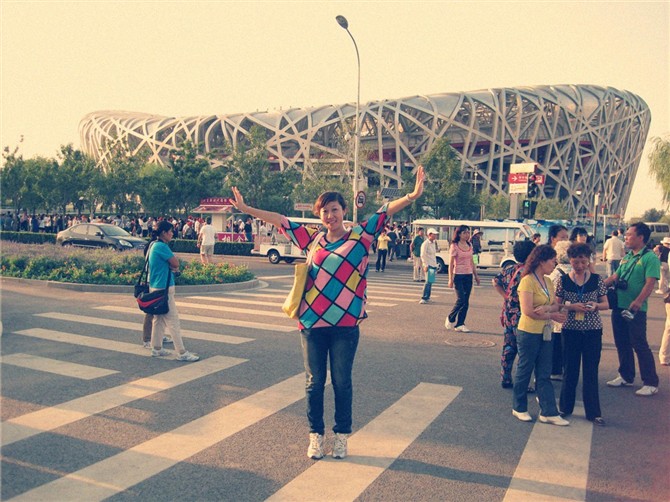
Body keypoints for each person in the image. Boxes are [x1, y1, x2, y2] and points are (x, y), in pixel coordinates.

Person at [230, 166, 425, 461]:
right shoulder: (313, 239)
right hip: (312, 323)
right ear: (319, 215)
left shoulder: (361, 237)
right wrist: (246, 209)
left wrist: (412, 195)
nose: (330, 215)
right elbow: (280, 220)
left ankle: (341, 437)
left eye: (334, 209)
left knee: (342, 382)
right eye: (324, 211)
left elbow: (385, 211)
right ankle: (316, 436)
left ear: (344, 210)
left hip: (345, 324)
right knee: (314, 382)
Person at [512, 244, 569, 425]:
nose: (554, 264)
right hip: (528, 332)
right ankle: (519, 407)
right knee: (525, 369)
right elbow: (528, 311)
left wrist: (547, 309)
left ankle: (548, 411)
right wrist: (551, 314)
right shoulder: (527, 281)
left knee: (544, 372)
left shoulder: (548, 281)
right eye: (552, 261)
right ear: (541, 261)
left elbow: (554, 304)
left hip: (546, 332)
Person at [555, 242, 608, 425]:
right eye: (576, 262)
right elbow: (556, 304)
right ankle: (565, 407)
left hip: (593, 330)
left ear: (588, 261)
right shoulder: (563, 280)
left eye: (583, 262)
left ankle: (594, 412)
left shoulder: (596, 279)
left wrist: (596, 306)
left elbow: (606, 304)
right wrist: (571, 306)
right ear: (570, 260)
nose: (579, 266)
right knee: (570, 370)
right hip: (570, 330)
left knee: (591, 371)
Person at [604, 222, 660, 396]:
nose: (626, 238)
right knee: (621, 342)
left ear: (640, 237)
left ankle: (651, 382)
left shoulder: (650, 258)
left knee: (639, 343)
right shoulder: (628, 257)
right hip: (619, 305)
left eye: (629, 235)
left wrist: (638, 301)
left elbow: (650, 283)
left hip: (635, 309)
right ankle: (625, 375)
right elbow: (615, 276)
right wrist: (596, 287)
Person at [148, 220, 200, 362]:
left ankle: (156, 348)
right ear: (164, 233)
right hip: (164, 288)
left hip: (156, 286)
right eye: (170, 231)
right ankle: (181, 352)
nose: (172, 233)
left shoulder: (154, 245)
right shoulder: (161, 246)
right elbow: (176, 263)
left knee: (159, 319)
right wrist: (174, 266)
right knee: (173, 321)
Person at [492, 240, 536, 388]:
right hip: (523, 315)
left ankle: (505, 378)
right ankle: (522, 383)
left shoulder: (509, 269)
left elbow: (495, 281)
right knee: (524, 350)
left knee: (509, 347)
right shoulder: (528, 273)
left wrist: (505, 296)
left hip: (509, 313)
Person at [445, 225, 480, 332]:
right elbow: (451, 264)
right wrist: (450, 279)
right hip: (458, 275)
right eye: (464, 232)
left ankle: (460, 324)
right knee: (461, 299)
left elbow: (472, 262)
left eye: (468, 232)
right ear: (459, 234)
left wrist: (476, 276)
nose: (467, 235)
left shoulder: (470, 245)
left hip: (468, 275)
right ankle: (450, 317)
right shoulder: (454, 246)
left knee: (466, 301)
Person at [547, 240, 571, 380]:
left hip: (557, 313)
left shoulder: (555, 273)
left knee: (556, 343)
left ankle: (556, 370)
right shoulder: (576, 271)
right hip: (572, 313)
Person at [419, 228, 439, 304]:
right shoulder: (425, 244)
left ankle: (427, 297)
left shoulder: (433, 243)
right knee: (427, 281)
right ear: (429, 235)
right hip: (428, 265)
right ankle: (424, 297)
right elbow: (423, 255)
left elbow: (433, 255)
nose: (435, 236)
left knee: (430, 281)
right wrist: (425, 265)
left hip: (433, 264)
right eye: (434, 234)